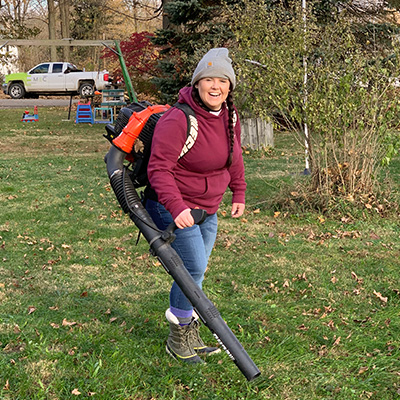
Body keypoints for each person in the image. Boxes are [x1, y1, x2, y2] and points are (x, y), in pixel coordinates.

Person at [144, 48, 246, 364]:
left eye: (222, 81)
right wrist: (176, 208)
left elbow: (235, 157)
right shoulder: (179, 118)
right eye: (209, 80)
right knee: (193, 270)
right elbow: (158, 168)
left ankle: (188, 330)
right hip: (172, 207)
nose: (215, 87)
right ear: (198, 83)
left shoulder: (230, 117)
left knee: (194, 274)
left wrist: (238, 192)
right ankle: (179, 338)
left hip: (208, 209)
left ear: (229, 87)